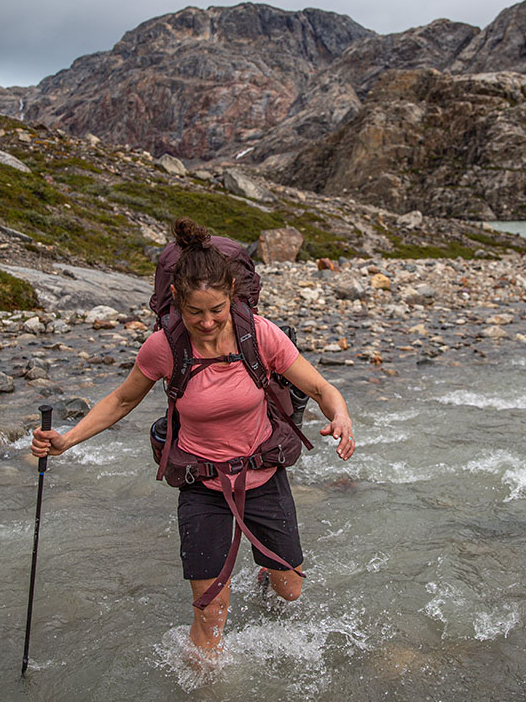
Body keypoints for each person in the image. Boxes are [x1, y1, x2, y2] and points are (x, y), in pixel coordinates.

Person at [30, 217, 356, 656]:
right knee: (210, 611)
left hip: (263, 477)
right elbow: (121, 401)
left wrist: (341, 417)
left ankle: (265, 574)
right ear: (178, 302)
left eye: (217, 310)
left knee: (290, 590)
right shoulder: (165, 346)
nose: (206, 322)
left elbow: (320, 388)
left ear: (232, 299)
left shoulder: (258, 335)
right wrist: (67, 440)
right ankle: (206, 682)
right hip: (202, 487)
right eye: (194, 312)